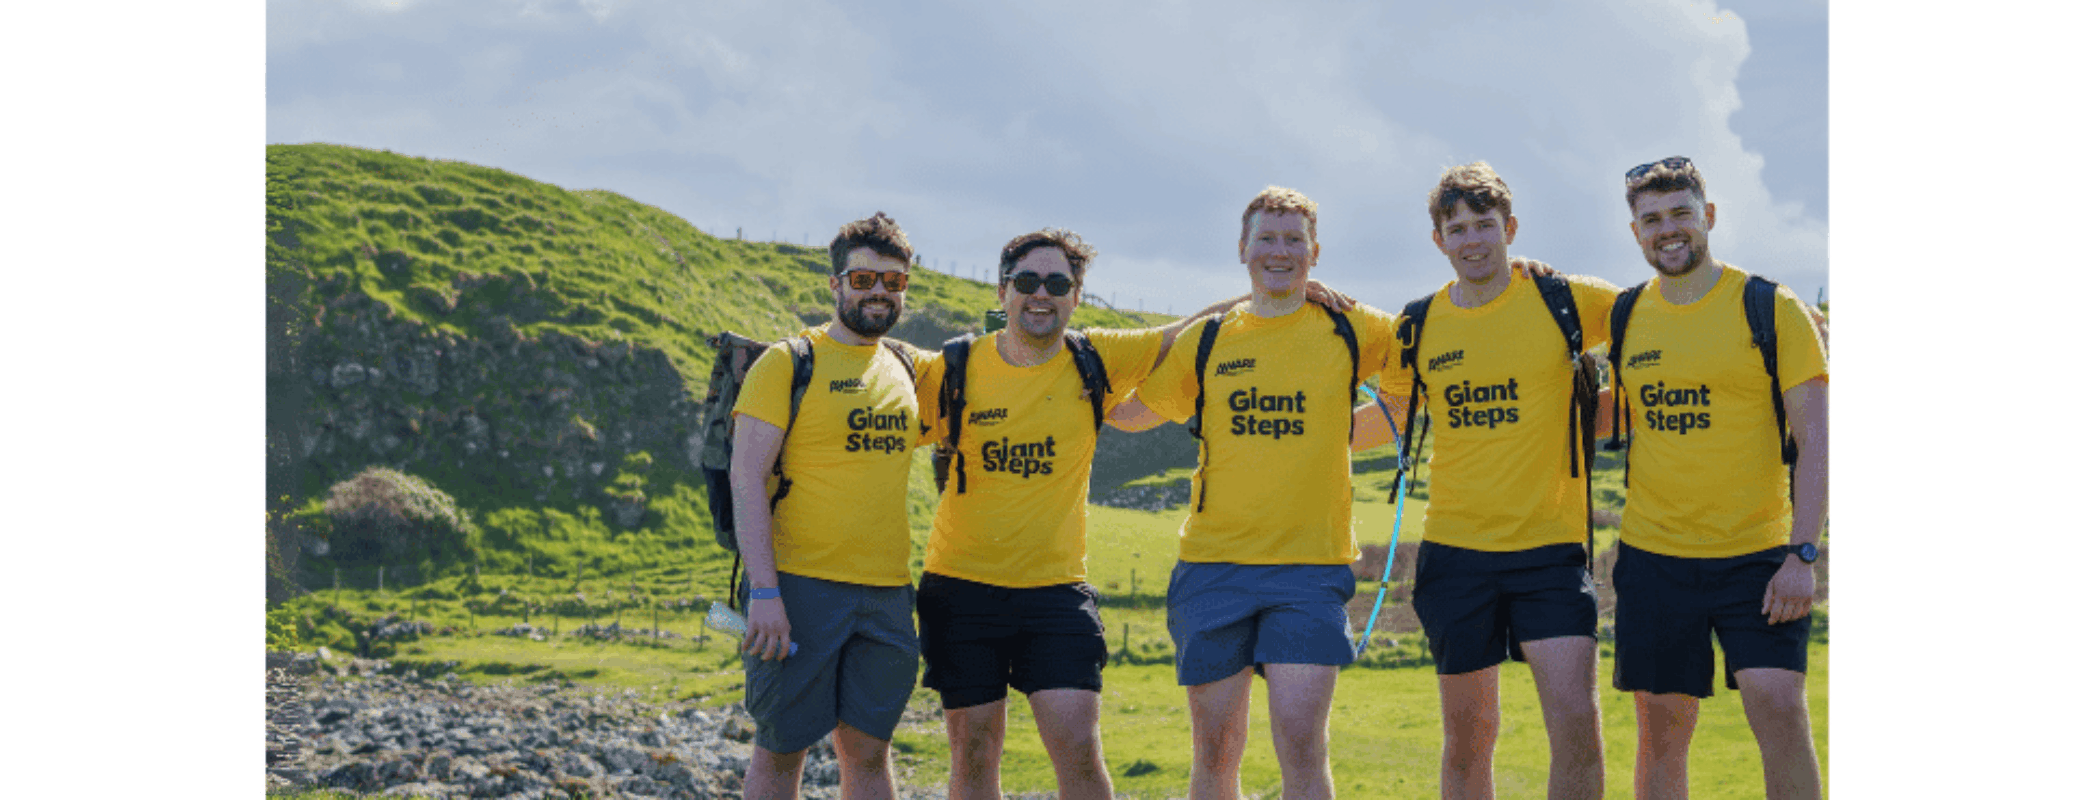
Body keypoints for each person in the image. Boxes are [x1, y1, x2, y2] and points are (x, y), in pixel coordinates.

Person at [912, 228, 1351, 800]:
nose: (1041, 294)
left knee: (1080, 751)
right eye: (1027, 281)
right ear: (1003, 292)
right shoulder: (954, 368)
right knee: (973, 752)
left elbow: (1182, 334)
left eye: (1057, 284)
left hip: (1055, 593)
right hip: (961, 586)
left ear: (1076, 296)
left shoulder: (1096, 357)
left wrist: (1274, 294)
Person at [1105, 187, 1396, 800]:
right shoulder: (1210, 338)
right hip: (1213, 567)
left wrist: (1335, 433)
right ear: (1242, 248)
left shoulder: (1352, 326)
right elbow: (1131, 414)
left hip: (1309, 569)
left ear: (1315, 252)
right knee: (1215, 751)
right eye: (1266, 238)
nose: (1279, 251)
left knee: (1301, 744)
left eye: (1294, 240)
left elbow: (1420, 382)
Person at [1354, 162, 1617, 800]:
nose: (1472, 240)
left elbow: (1663, 317)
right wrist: (1293, 433)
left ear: (1511, 228)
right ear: (1438, 240)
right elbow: (1392, 414)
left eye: (1485, 225)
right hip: (1456, 555)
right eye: (1458, 229)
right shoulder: (1418, 324)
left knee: (1577, 728)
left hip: (1550, 553)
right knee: (1469, 740)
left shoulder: (1566, 299)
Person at [1609, 157, 1828, 800]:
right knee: (1661, 733)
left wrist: (1803, 554)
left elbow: (1818, 441)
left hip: (1759, 557)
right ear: (1636, 232)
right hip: (1654, 557)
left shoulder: (1770, 306)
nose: (1668, 229)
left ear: (1707, 216)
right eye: (1652, 219)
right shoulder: (1625, 314)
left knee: (1779, 710)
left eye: (1680, 213)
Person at [729, 211, 925, 800]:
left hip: (887, 594)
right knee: (781, 750)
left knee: (869, 753)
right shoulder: (787, 363)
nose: (879, 292)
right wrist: (765, 594)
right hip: (798, 587)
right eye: (863, 280)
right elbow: (746, 478)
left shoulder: (907, 366)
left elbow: (994, 360)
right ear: (836, 284)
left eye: (893, 281)